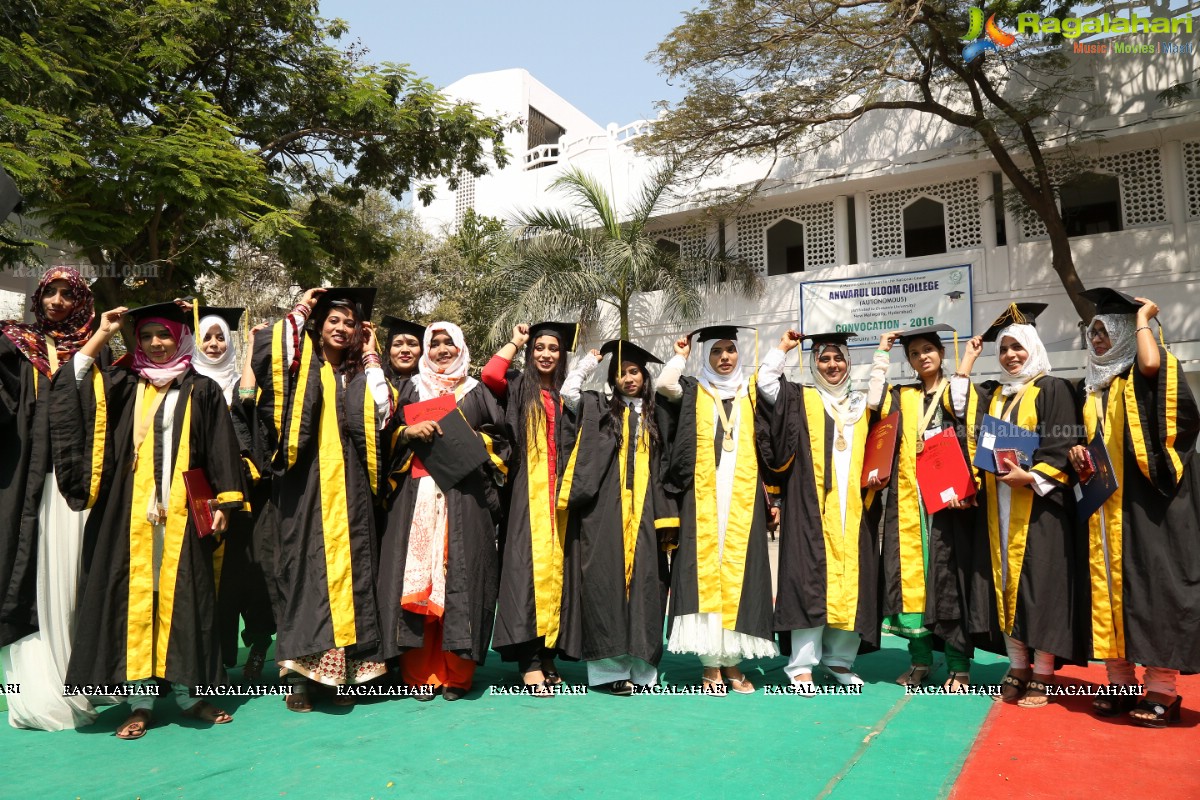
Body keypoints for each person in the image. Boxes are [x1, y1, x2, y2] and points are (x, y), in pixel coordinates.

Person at [50, 301, 246, 739]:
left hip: (182, 512)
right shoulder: (123, 382)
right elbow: (72, 383)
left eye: (166, 335)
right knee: (135, 599)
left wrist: (223, 505)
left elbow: (220, 450)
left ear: (181, 338)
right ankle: (139, 702)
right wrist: (102, 333)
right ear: (136, 341)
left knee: (185, 598)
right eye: (147, 336)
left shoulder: (203, 389)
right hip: (129, 516)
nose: (157, 344)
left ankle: (191, 695)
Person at [250, 288, 390, 711]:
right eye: (334, 320)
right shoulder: (300, 366)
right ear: (318, 324)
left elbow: (382, 411)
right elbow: (268, 347)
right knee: (302, 572)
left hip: (350, 488)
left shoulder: (356, 374)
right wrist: (304, 306)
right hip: (304, 485)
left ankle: (349, 672)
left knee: (354, 574)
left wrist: (370, 356)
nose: (342, 328)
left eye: (350, 323)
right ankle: (299, 676)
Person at [1072, 288, 1200, 727]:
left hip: (1150, 504)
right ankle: (1120, 683)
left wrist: (1144, 317)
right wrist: (1078, 453)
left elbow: (1152, 364)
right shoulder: (1092, 388)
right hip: (1106, 509)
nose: (1099, 339)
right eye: (1095, 333)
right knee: (1109, 590)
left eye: (1108, 331)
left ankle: (1163, 691)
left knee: (1154, 590)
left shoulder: (1143, 377)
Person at [955, 304, 1084, 708]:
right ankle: (1018, 666)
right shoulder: (995, 394)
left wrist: (1031, 477)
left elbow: (1062, 446)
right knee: (1006, 583)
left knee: (1041, 589)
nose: (1010, 355)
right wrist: (970, 358)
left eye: (1018, 348)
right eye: (1005, 349)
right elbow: (959, 407)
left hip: (1041, 506)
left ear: (1033, 348)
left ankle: (1043, 673)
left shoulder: (1052, 388)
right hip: (1000, 507)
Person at [377, 322, 508, 701]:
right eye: (434, 344)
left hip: (465, 499)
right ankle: (421, 676)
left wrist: (471, 437)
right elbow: (385, 436)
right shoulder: (409, 389)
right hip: (415, 498)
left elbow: (503, 441)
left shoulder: (476, 392)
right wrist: (406, 435)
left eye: (449, 343)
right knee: (418, 584)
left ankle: (456, 676)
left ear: (461, 348)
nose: (441, 350)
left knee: (460, 581)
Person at [0, 266, 101, 730]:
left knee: (72, 580)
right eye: (50, 292)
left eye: (67, 293)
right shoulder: (16, 345)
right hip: (27, 484)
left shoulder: (96, 351)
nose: (57, 301)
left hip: (77, 487)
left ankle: (80, 682)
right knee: (26, 578)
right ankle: (37, 693)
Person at [867, 323, 992, 692]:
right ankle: (920, 659)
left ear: (940, 353)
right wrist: (881, 352)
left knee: (949, 581)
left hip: (948, 503)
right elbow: (873, 406)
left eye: (928, 350)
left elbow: (971, 422)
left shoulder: (958, 391)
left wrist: (967, 361)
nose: (922, 357)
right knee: (909, 586)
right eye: (914, 353)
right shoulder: (901, 394)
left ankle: (958, 664)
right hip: (908, 503)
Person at [757, 330, 880, 694]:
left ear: (848, 362)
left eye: (838, 358)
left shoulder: (862, 404)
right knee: (808, 582)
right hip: (810, 507)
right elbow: (765, 383)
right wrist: (782, 348)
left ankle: (840, 660)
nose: (832, 365)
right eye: (825, 359)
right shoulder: (800, 398)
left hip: (855, 508)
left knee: (850, 582)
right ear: (814, 364)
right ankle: (801, 665)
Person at [657, 325, 777, 695]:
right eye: (716, 352)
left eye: (730, 350)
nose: (725, 357)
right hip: (703, 497)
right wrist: (680, 354)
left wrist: (781, 350)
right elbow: (664, 385)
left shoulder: (751, 393)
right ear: (706, 357)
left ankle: (734, 663)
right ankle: (711, 667)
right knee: (704, 576)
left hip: (743, 497)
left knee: (741, 577)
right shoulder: (695, 390)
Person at [557, 340, 676, 694]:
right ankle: (610, 673)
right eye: (621, 373)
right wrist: (589, 362)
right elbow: (568, 392)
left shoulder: (659, 413)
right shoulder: (598, 407)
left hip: (646, 511)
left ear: (645, 376)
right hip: (604, 510)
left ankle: (642, 672)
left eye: (635, 371)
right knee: (603, 585)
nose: (629, 378)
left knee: (647, 586)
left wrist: (681, 356)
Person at [481, 321, 579, 694]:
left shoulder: (567, 394)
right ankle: (529, 661)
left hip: (562, 500)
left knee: (558, 577)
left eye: (553, 348)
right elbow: (491, 375)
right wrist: (515, 340)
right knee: (525, 575)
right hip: (525, 495)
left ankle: (548, 652)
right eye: (539, 347)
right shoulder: (520, 385)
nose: (546, 354)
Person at [190, 307, 277, 682]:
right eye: (206, 337)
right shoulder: (184, 382)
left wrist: (254, 346)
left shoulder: (237, 383)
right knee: (207, 581)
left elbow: (247, 399)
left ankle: (258, 645)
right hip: (200, 499)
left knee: (252, 575)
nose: (213, 344)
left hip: (248, 496)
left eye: (220, 336)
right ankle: (216, 659)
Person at [381, 316, 425, 390]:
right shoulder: (375, 381)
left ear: (422, 350)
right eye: (397, 345)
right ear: (389, 350)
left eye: (412, 344)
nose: (405, 350)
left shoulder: (432, 387)